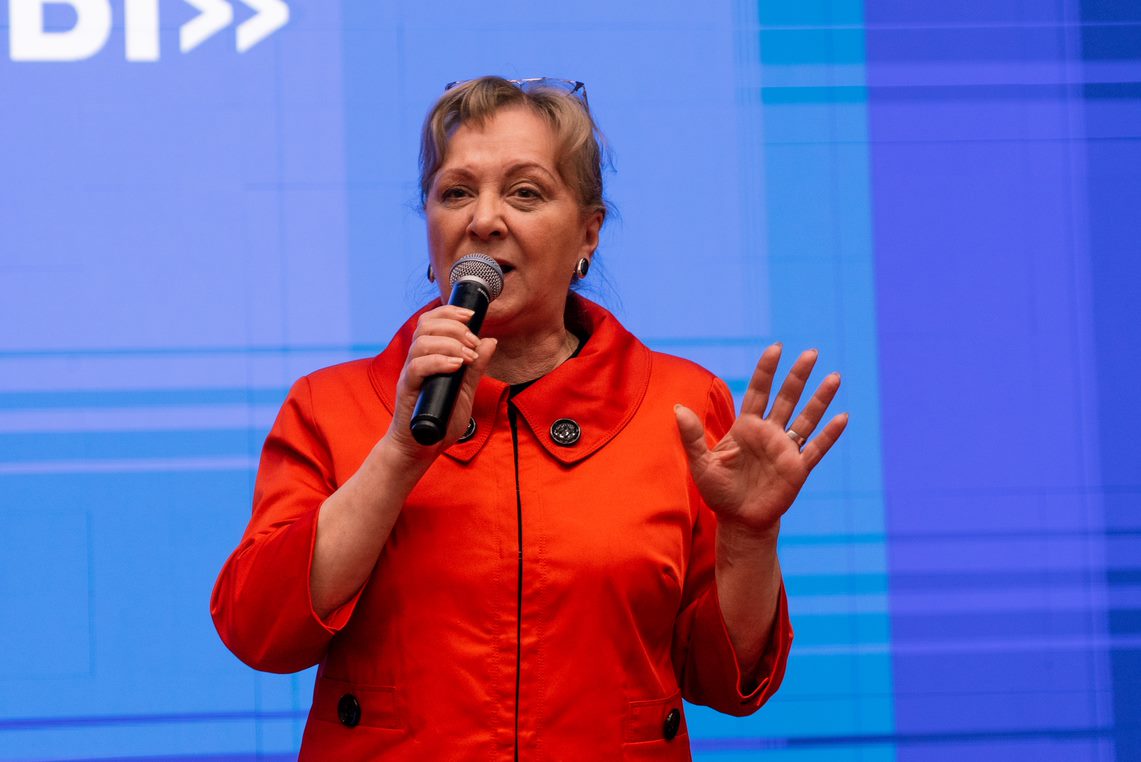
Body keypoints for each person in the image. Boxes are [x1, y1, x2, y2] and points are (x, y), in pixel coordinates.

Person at [210, 76, 847, 760]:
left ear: (588, 233)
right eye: (456, 193)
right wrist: (398, 455)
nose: (483, 220)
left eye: (524, 193)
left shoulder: (681, 406)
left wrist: (751, 537)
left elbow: (726, 683)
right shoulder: (328, 406)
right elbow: (260, 633)